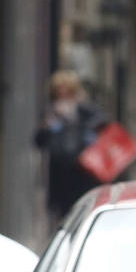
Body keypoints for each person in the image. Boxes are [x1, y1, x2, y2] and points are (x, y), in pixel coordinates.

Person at [33, 70, 108, 222]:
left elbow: (103, 122)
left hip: (84, 170)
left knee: (84, 212)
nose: (62, 93)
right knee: (63, 215)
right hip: (60, 174)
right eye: (58, 90)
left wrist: (74, 121)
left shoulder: (85, 110)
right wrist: (48, 127)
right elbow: (38, 141)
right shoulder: (51, 113)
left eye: (66, 90)